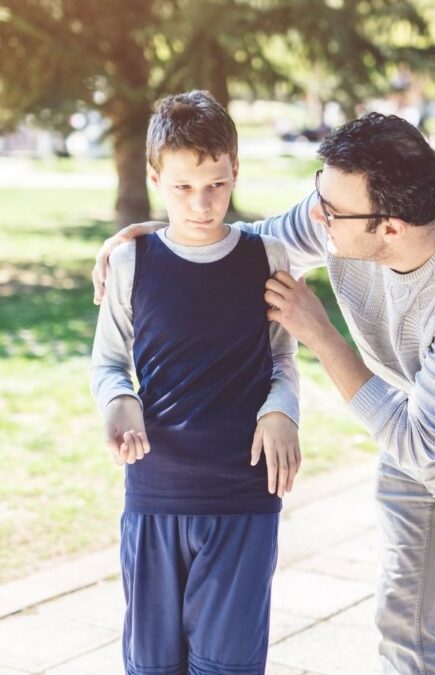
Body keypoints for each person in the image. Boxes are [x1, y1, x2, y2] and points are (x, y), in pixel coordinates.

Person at [94, 112, 435, 674]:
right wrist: (153, 242)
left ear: (389, 228)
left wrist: (320, 335)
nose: (315, 216)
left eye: (331, 211)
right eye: (320, 197)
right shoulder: (346, 207)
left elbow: (422, 441)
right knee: (404, 625)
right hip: (407, 411)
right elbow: (251, 241)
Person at [89, 90, 301, 675]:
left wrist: (283, 409)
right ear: (155, 176)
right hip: (155, 491)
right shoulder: (133, 262)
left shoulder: (268, 257)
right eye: (182, 187)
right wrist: (119, 401)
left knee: (227, 665)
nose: (202, 204)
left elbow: (283, 359)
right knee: (153, 664)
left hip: (244, 495)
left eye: (217, 184)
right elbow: (108, 361)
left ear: (236, 172)